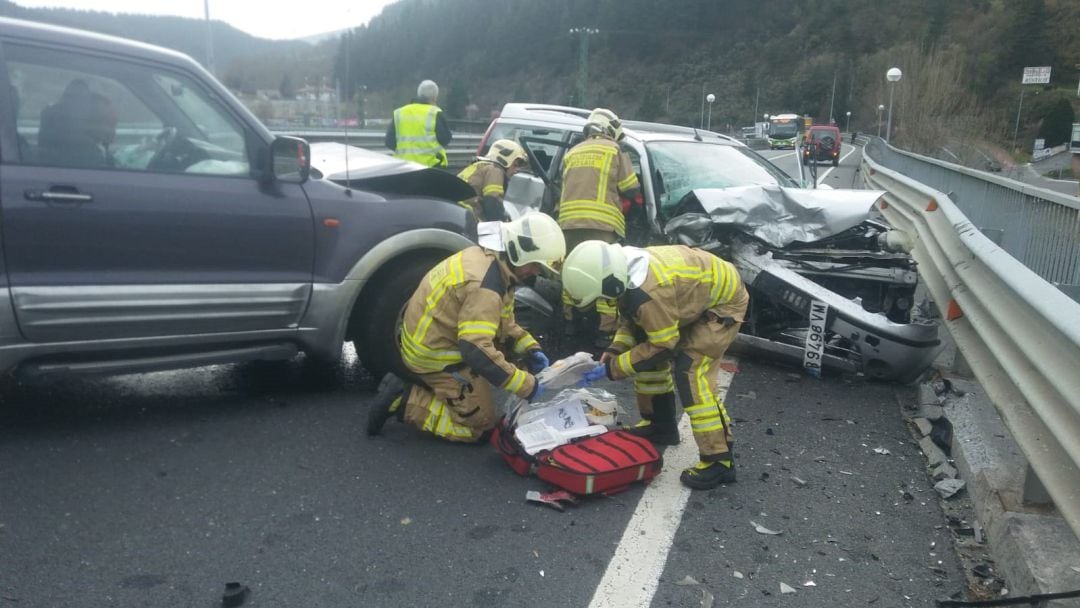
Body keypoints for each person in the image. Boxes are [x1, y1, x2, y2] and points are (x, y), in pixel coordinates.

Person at [563, 241, 749, 490]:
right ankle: (660, 425)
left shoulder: (648, 291)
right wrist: (615, 348)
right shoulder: (621, 272)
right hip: (695, 295)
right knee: (644, 351)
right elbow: (634, 321)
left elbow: (663, 345)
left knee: (690, 372)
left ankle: (719, 461)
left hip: (724, 304)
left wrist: (613, 368)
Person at [367, 213, 566, 443]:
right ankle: (404, 399)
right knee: (480, 428)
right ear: (521, 252)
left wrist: (530, 348)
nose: (536, 272)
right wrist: (526, 385)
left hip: (436, 338)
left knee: (513, 359)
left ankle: (446, 392)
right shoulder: (486, 286)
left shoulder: (493, 262)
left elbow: (504, 322)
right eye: (535, 265)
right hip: (435, 357)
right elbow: (475, 350)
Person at [556, 108, 643, 345]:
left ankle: (570, 322)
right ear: (611, 129)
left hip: (568, 224)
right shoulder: (614, 149)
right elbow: (631, 188)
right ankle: (605, 332)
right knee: (606, 273)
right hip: (602, 224)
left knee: (572, 270)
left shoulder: (572, 152)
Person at [385, 79, 452, 168]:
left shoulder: (399, 113)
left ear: (419, 94)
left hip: (404, 167)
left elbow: (389, 141)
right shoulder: (435, 113)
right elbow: (445, 139)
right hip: (432, 168)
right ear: (434, 98)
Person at [457, 139, 528, 221]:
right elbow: (493, 202)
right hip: (468, 218)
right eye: (515, 165)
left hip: (459, 213)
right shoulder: (495, 170)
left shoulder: (480, 165)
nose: (516, 170)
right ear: (505, 160)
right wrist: (503, 221)